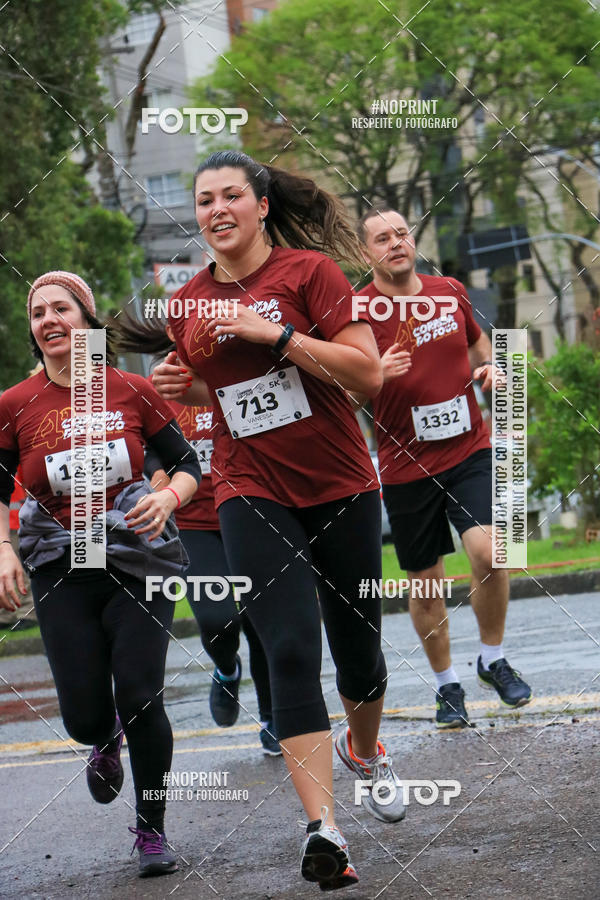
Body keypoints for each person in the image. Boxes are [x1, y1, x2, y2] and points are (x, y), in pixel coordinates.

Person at [152, 150, 405, 891]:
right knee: (290, 647)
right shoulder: (188, 302)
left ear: (262, 206)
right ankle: (324, 829)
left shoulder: (309, 275)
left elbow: (363, 372)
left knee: (357, 649)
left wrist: (276, 335)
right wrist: (186, 385)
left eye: (232, 195)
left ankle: (366, 748)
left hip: (340, 483)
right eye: (204, 200)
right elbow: (217, 391)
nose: (216, 209)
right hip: (247, 486)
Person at [0, 271, 201, 877]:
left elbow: (188, 464)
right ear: (34, 332)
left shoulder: (131, 389)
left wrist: (169, 499)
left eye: (61, 308)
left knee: (142, 695)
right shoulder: (14, 404)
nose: (49, 320)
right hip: (63, 560)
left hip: (136, 555)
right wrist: (4, 550)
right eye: (38, 313)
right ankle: (100, 734)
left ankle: (152, 831)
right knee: (83, 715)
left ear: (86, 320)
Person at [356, 208, 532, 728]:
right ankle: (447, 685)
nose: (395, 243)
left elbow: (480, 347)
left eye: (402, 234)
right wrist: (375, 374)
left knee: (490, 551)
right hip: (406, 466)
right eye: (382, 238)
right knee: (427, 585)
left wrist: (492, 370)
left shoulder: (448, 290)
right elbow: (342, 390)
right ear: (367, 254)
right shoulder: (357, 310)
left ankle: (492, 658)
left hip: (468, 449)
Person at [116, 314, 281, 755]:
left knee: (263, 618)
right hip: (192, 520)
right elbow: (145, 447)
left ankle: (272, 718)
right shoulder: (159, 387)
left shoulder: (237, 370)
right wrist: (155, 478)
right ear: (176, 335)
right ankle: (226, 669)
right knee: (217, 617)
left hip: (252, 509)